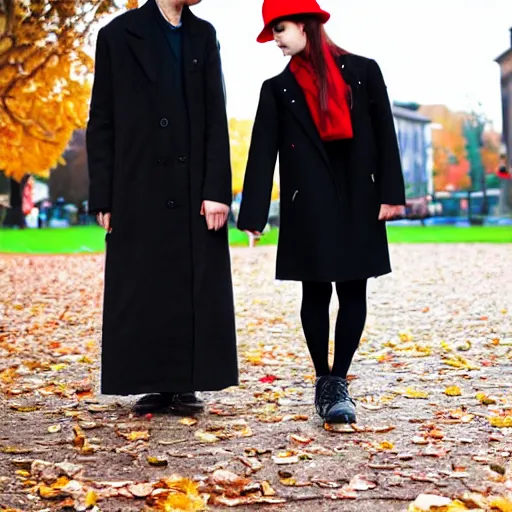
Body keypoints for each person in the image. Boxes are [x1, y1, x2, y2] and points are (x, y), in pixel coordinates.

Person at [237, 0, 406, 424]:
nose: (275, 39)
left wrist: (391, 194)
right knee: (314, 291)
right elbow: (262, 153)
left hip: (357, 198)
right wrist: (254, 216)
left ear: (304, 25)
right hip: (306, 202)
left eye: (279, 29)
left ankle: (339, 380)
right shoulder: (276, 89)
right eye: (272, 31)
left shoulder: (364, 72)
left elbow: (386, 135)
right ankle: (323, 380)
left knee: (353, 290)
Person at [86, 0, 238, 416]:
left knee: (193, 283)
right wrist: (103, 194)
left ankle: (187, 382)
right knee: (145, 285)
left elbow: (214, 118)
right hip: (137, 185)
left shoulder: (203, 34)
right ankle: (153, 381)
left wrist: (217, 190)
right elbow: (101, 118)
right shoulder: (117, 35)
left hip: (193, 188)